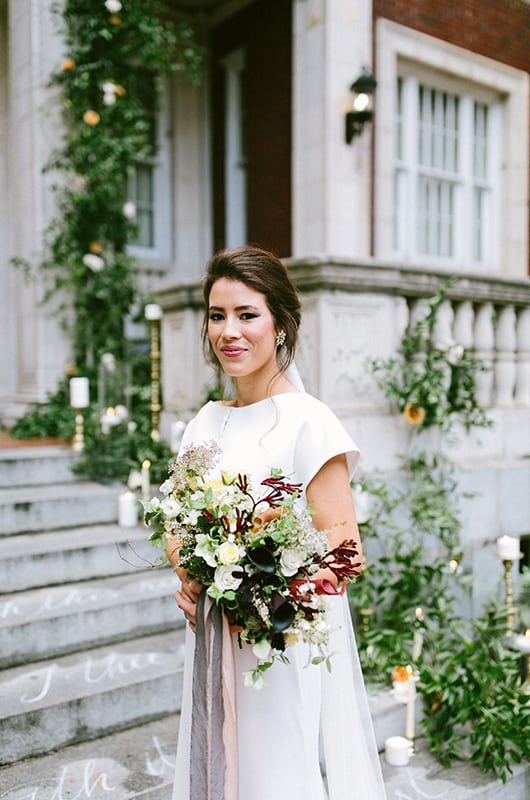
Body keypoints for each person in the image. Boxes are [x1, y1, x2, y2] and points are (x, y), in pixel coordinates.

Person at [167, 245, 387, 799]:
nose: (228, 331)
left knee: (275, 777)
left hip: (278, 651)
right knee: (217, 768)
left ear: (281, 324)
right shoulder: (202, 424)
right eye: (217, 316)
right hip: (213, 642)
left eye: (247, 314)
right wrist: (195, 578)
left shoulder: (309, 422)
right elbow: (177, 526)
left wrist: (259, 601)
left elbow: (345, 554)